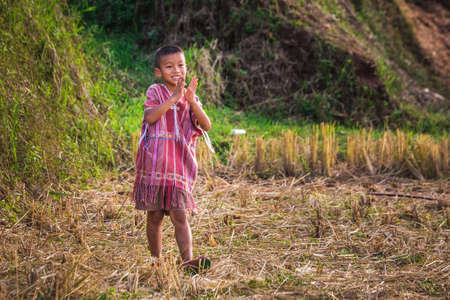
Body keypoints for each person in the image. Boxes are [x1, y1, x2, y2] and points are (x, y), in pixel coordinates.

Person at [132, 45, 211, 273]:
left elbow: (206, 125)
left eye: (181, 65)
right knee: (154, 216)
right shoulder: (155, 91)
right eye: (169, 66)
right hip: (155, 166)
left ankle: (187, 260)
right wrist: (173, 98)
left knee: (180, 214)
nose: (176, 70)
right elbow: (150, 116)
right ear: (159, 72)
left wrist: (191, 101)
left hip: (178, 168)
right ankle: (155, 261)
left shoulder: (190, 98)